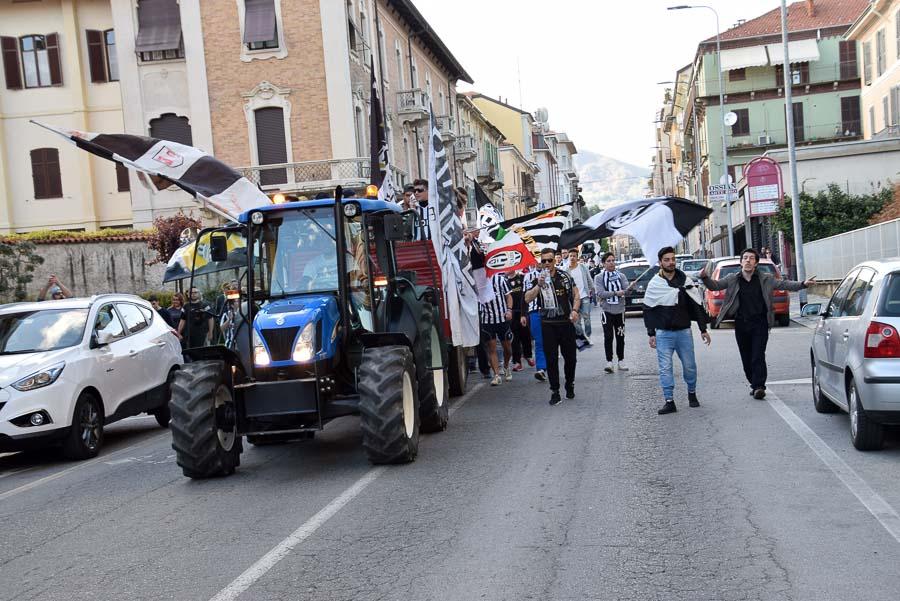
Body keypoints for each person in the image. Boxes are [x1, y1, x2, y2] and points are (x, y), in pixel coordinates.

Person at [700, 248, 814, 399]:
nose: (748, 260)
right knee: (746, 357)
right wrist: (705, 278)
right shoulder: (732, 278)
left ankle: (759, 386)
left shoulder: (765, 278)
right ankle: (754, 383)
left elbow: (784, 284)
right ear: (741, 262)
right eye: (745, 258)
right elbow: (715, 286)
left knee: (758, 355)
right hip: (741, 323)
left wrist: (803, 284)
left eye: (751, 258)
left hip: (760, 323)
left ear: (756, 263)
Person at [644, 247, 711, 415]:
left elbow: (696, 305)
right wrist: (651, 333)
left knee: (689, 366)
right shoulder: (655, 284)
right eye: (666, 259)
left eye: (673, 259)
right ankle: (669, 401)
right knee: (665, 368)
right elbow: (648, 308)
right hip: (663, 333)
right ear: (660, 263)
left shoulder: (685, 281)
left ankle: (692, 394)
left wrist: (703, 329)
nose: (671, 262)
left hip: (683, 332)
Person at [524, 248, 581, 405]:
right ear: (541, 263)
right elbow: (527, 299)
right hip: (548, 325)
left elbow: (576, 295)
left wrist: (575, 310)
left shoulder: (565, 276)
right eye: (544, 261)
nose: (547, 263)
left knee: (570, 358)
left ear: (555, 260)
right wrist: (539, 286)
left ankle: (570, 383)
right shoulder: (537, 279)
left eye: (550, 260)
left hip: (565, 323)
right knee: (551, 359)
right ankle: (554, 391)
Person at [594, 252, 631, 373]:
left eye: (613, 260)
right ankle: (609, 361)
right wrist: (615, 293)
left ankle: (621, 360)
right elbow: (600, 293)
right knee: (608, 337)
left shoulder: (621, 276)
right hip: (607, 311)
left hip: (620, 310)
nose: (611, 263)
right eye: (609, 261)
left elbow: (626, 291)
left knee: (620, 336)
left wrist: (630, 288)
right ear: (604, 263)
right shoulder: (599, 277)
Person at [479, 272, 514, 386]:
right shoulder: (478, 281)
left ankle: (506, 366)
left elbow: (509, 296)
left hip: (502, 318)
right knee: (491, 348)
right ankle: (496, 375)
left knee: (508, 349)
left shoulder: (500, 279)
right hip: (487, 320)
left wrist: (509, 310)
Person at [561, 247, 593, 348]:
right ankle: (583, 337)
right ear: (568, 257)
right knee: (576, 321)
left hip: (584, 296)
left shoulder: (583, 267)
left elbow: (589, 279)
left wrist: (592, 290)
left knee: (587, 317)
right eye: (570, 256)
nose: (572, 258)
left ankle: (588, 335)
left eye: (574, 256)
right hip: (573, 299)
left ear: (577, 257)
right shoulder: (565, 270)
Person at [523, 265, 548, 382]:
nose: (541, 262)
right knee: (539, 342)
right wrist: (523, 314)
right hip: (535, 311)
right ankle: (541, 369)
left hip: (552, 312)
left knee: (551, 342)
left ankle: (549, 366)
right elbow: (525, 297)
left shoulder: (556, 274)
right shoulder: (528, 276)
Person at [507, 268, 533, 371]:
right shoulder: (504, 281)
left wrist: (525, 311)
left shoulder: (522, 278)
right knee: (515, 338)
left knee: (526, 335)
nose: (505, 269)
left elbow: (527, 294)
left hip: (523, 311)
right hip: (512, 313)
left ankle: (528, 355)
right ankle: (517, 362)